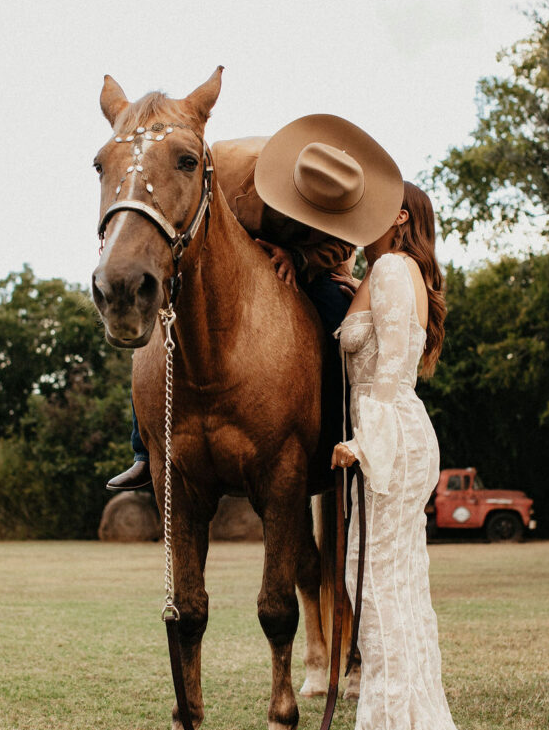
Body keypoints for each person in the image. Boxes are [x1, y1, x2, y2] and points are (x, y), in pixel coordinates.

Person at [108, 121, 373, 491]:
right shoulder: (231, 168)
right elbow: (201, 221)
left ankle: (343, 436)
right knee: (166, 325)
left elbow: (343, 248)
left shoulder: (344, 195)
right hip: (230, 260)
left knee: (340, 325)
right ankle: (143, 450)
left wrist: (296, 258)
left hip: (310, 267)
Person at [331, 180, 480, 730]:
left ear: (397, 216)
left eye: (373, 207)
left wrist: (363, 442)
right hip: (394, 433)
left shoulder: (394, 268)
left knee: (374, 582)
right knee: (392, 581)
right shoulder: (383, 268)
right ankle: (402, 718)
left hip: (392, 434)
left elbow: (391, 367)